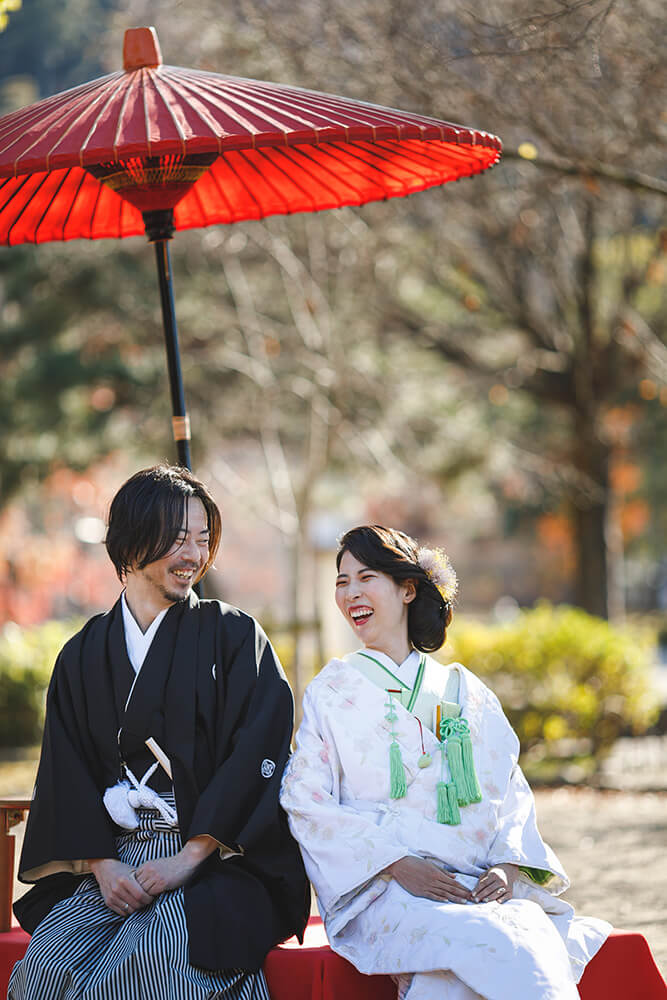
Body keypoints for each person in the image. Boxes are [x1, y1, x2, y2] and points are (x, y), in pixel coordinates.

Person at [10, 464, 310, 1000]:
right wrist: (101, 867)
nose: (193, 555)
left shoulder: (234, 637)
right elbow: (65, 770)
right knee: (47, 967)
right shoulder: (82, 655)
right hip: (114, 858)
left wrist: (187, 857)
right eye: (176, 539)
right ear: (130, 546)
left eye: (201, 538)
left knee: (153, 962)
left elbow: (260, 754)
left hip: (215, 858)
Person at [280, 525, 611, 1000]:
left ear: (407, 588)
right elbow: (304, 799)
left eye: (365, 577)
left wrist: (506, 867)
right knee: (493, 942)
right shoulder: (332, 691)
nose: (350, 592)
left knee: (473, 961)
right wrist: (395, 863)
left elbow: (510, 790)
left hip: (474, 884)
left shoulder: (466, 691)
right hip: (383, 890)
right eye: (342, 581)